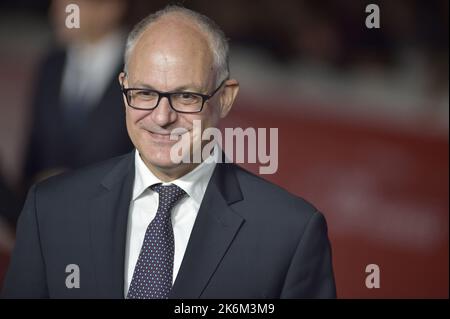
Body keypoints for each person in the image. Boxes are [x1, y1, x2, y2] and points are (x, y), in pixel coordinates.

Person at [2, 5, 336, 299]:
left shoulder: (290, 235)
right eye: (144, 93)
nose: (162, 118)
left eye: (186, 97)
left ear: (225, 98)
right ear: (123, 89)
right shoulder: (50, 211)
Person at [23, 0, 133, 185]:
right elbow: (33, 152)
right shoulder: (51, 64)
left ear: (110, 8)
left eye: (71, 5)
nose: (56, 12)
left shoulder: (140, 67)